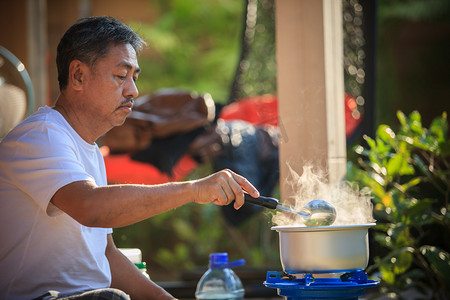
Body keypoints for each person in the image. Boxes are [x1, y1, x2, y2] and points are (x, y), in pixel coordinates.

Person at [0, 16, 259, 300]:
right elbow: (90, 207)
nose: (133, 91)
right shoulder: (41, 136)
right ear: (78, 76)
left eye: (134, 78)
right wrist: (193, 190)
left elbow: (107, 254)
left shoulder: (90, 151)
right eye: (121, 76)